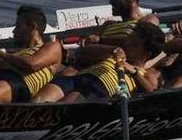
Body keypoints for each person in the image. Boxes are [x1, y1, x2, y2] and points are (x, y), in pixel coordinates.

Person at [33, 21, 165, 102]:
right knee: (38, 101)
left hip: (99, 88)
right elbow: (85, 52)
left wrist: (133, 72)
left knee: (63, 105)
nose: (128, 43)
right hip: (80, 78)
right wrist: (111, 50)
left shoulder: (148, 73)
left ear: (146, 54)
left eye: (134, 44)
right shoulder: (116, 53)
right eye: (129, 39)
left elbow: (152, 92)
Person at [0, 6, 63, 103]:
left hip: (19, 82)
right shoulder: (16, 54)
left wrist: (1, 54)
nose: (13, 31)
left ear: (32, 27)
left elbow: (33, 65)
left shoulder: (52, 46)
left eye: (18, 26)